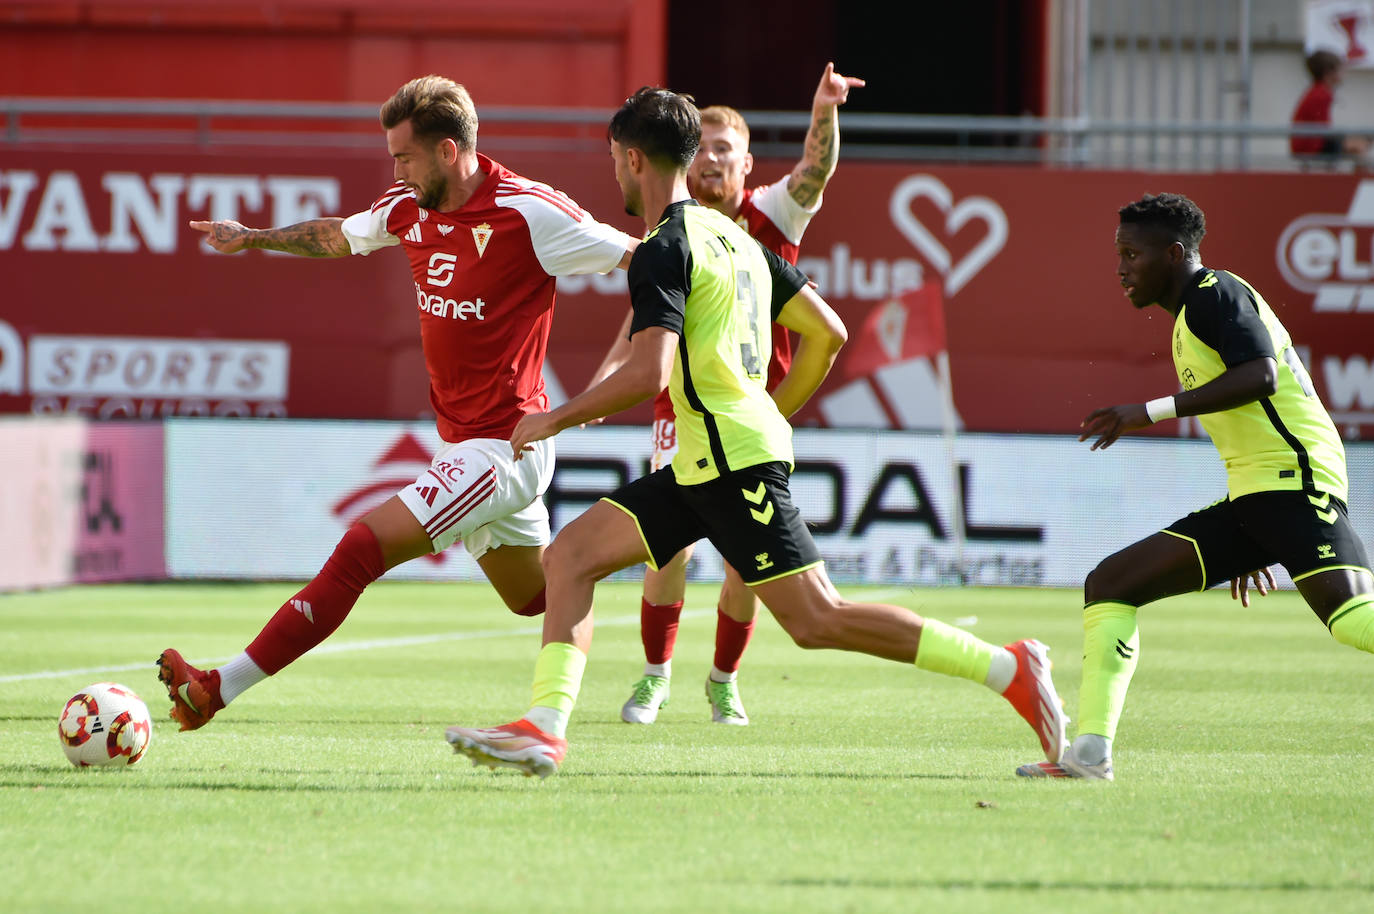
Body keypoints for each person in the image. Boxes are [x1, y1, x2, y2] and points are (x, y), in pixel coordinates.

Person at [444, 87, 1068, 779]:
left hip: (732, 464)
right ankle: (545, 728)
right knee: (571, 557)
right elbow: (826, 333)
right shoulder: (735, 239)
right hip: (704, 462)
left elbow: (648, 372)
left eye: (616, 164)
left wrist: (556, 417)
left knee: (817, 620)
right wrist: (774, 410)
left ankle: (1009, 667)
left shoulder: (664, 248)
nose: (615, 176)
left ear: (631, 159)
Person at [155, 75, 638, 731]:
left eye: (403, 156)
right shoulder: (406, 207)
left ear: (446, 151)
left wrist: (621, 364)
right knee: (535, 597)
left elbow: (648, 263)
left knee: (360, 548)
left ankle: (218, 688)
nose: (395, 169)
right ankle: (650, 536)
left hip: (506, 446)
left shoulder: (530, 211)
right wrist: (255, 236)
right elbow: (338, 235)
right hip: (463, 443)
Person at [1018, 192, 1374, 781]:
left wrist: (1148, 411)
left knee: (1353, 619)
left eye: (1132, 254)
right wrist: (1257, 531)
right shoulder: (1193, 315)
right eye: (1119, 254)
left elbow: (1261, 376)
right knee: (1111, 584)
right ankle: (1089, 755)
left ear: (1175, 254)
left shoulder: (1214, 294)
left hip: (1294, 482)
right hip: (1262, 494)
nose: (1121, 268)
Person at [586, 63, 865, 728]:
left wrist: (823, 108)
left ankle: (723, 681)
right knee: (668, 548)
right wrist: (596, 393)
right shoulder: (670, 229)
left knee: (748, 566)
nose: (710, 156)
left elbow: (815, 171)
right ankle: (655, 677)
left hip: (749, 418)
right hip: (679, 413)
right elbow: (641, 327)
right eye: (701, 144)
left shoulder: (768, 214)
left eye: (724, 146)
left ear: (746, 163)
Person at [1290, 49, 1370, 166]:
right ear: (1328, 73)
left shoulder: (1317, 91)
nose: (1344, 73)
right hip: (1310, 147)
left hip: (1312, 143)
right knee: (1360, 145)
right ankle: (1358, 181)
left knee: (1362, 140)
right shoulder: (1321, 94)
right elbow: (1324, 129)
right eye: (1340, 69)